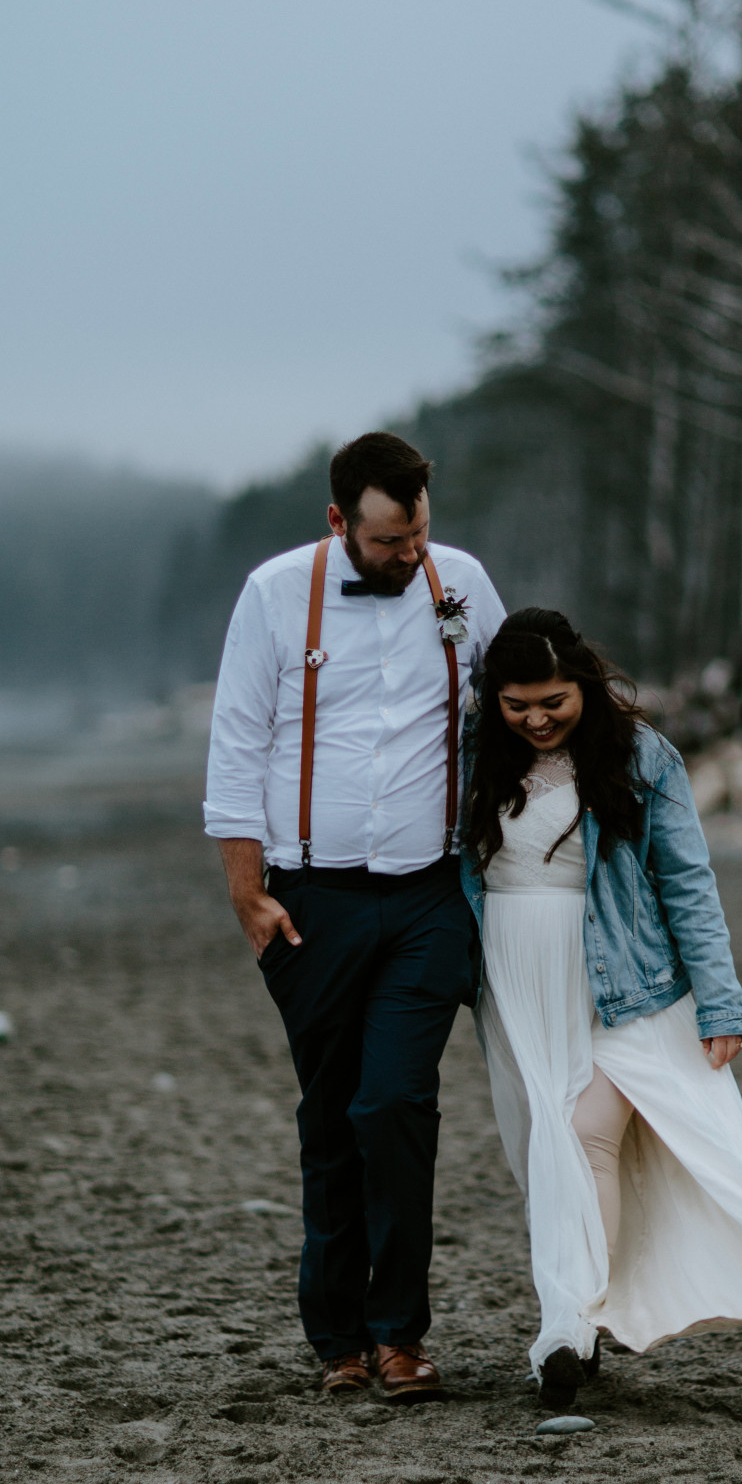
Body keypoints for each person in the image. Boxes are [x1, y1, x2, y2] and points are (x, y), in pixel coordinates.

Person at [461, 608, 742, 1411]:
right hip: (515, 982)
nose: (536, 719)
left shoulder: (640, 756)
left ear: (584, 682)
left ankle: (570, 1328)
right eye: (516, 705)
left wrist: (720, 1000)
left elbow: (689, 882)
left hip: (627, 983)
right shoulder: (476, 754)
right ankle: (578, 1320)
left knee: (584, 1134)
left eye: (553, 701)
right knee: (542, 1154)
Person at [206, 432, 506, 1401]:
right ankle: (334, 1333)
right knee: (331, 1115)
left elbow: (510, 709)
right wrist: (248, 893)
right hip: (311, 902)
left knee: (394, 1107)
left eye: (416, 532)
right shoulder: (272, 594)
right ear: (338, 522)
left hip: (427, 897)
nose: (407, 555)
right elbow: (238, 742)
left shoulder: (457, 582)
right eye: (385, 540)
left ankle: (399, 1333)